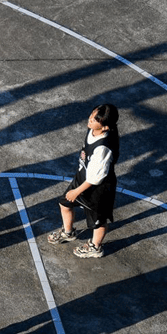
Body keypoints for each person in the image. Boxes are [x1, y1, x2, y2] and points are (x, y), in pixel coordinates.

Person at [47, 104, 120, 258]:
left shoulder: (102, 149)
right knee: (64, 203)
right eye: (91, 115)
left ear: (105, 127)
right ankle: (68, 232)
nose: (90, 120)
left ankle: (95, 247)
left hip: (97, 189)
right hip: (82, 179)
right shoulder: (94, 129)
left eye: (94, 119)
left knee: (98, 221)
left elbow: (96, 177)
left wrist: (77, 191)